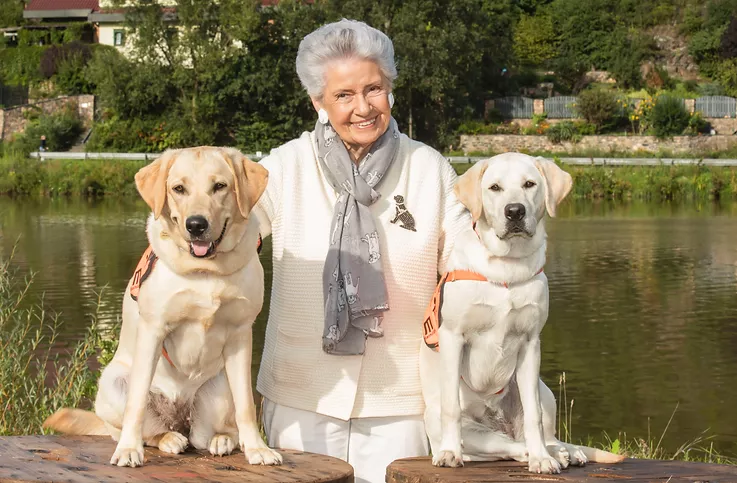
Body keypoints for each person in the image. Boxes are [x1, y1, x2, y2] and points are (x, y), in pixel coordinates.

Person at [253, 19, 471, 483]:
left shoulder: (429, 168)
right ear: (317, 102)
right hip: (300, 395)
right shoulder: (285, 166)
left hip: (403, 401)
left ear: (390, 87)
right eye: (344, 95)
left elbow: (468, 270)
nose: (363, 108)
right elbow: (227, 232)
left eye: (374, 89)